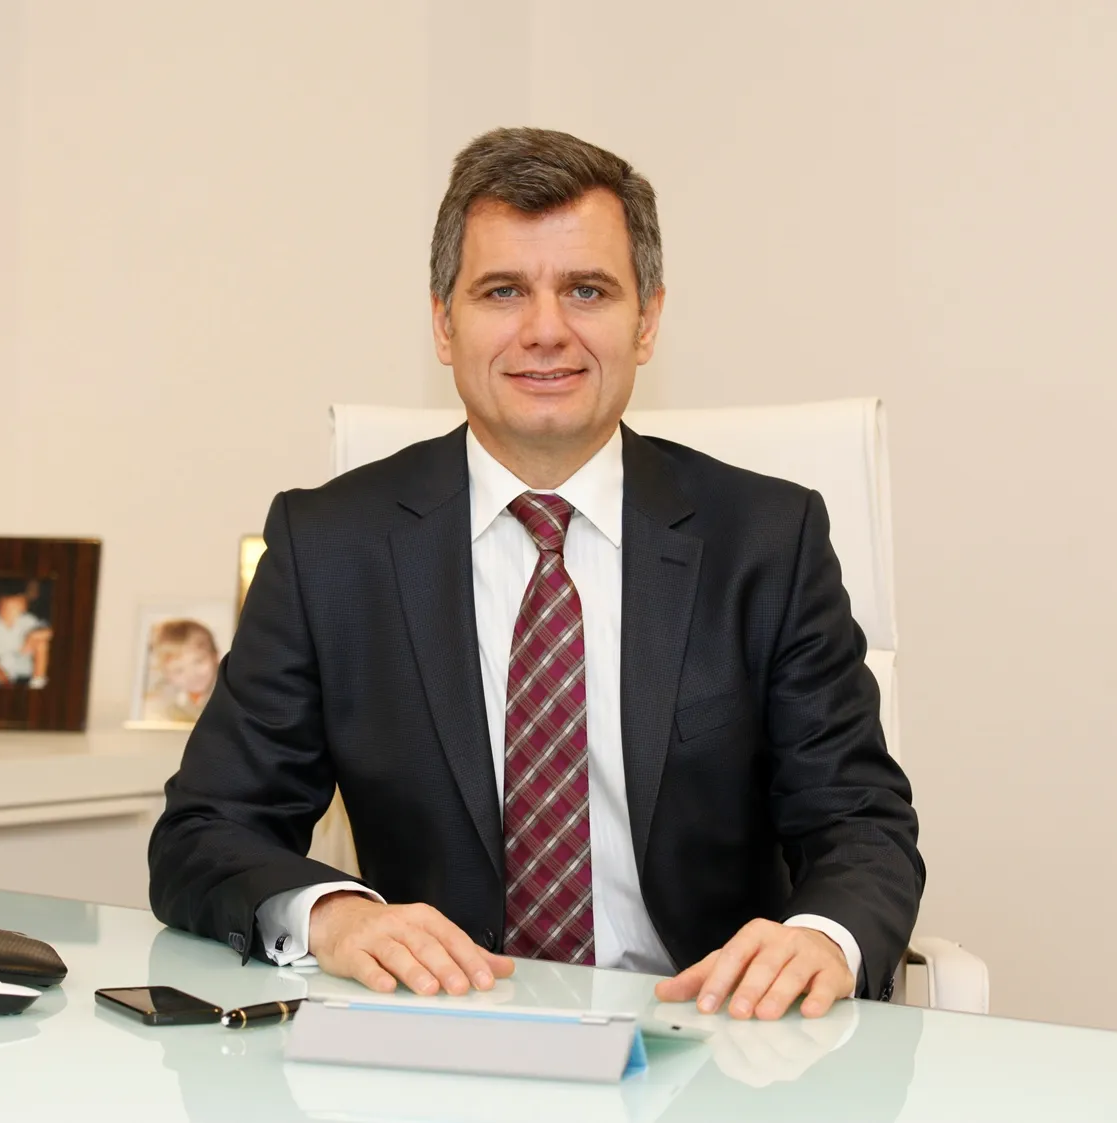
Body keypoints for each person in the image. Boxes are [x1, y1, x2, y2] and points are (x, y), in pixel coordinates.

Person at [149, 127, 923, 1021]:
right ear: (444, 324)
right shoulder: (329, 546)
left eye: (586, 290)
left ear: (646, 320)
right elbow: (206, 830)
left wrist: (818, 937)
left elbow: (859, 823)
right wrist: (332, 915)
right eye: (502, 291)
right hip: (438, 1028)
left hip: (709, 1032)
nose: (545, 330)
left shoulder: (766, 540)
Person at [0, 579, 53, 689]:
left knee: (42, 643)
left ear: (23, 608)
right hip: (0, 672)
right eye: (8, 606)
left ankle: (38, 683)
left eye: (17, 607)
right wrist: (6, 683)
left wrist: (33, 635)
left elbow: (50, 631)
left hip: (25, 670)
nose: (12, 611)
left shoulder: (28, 620)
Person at [143, 619, 222, 723]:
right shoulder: (165, 699)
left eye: (198, 662)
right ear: (166, 673)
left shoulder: (228, 691)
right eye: (178, 670)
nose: (192, 675)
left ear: (215, 656)